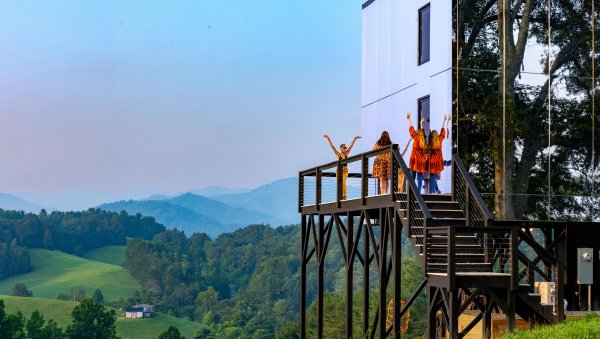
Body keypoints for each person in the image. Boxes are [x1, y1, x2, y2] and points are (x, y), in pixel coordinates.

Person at [324, 134, 361, 199]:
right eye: (344, 147)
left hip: (345, 170)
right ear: (341, 148)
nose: (345, 148)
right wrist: (328, 138)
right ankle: (342, 196)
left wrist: (355, 138)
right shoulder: (338, 154)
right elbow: (332, 146)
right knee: (340, 183)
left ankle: (344, 195)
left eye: (345, 147)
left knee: (343, 182)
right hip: (339, 170)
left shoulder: (346, 154)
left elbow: (351, 146)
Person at [406, 112, 429, 192]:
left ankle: (410, 192)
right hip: (420, 161)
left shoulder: (416, 137)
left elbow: (411, 128)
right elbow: (422, 131)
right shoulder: (423, 140)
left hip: (414, 160)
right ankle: (418, 193)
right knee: (419, 178)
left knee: (411, 177)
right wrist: (421, 123)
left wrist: (408, 119)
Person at [429, 114, 450, 194]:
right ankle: (437, 190)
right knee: (434, 176)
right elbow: (443, 131)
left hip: (432, 162)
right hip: (438, 162)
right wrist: (444, 121)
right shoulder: (440, 140)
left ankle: (433, 191)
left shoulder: (431, 143)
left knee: (433, 176)